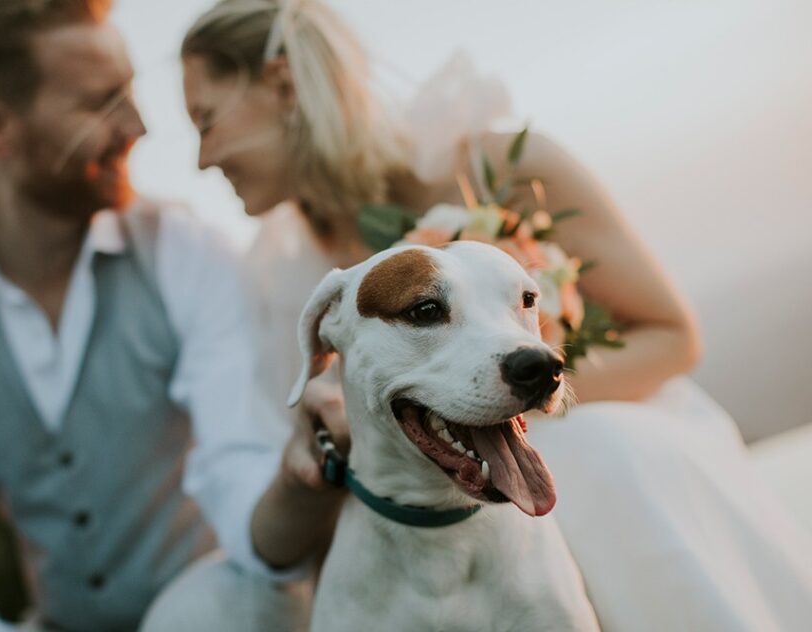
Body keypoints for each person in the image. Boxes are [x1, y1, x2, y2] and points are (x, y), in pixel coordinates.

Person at [179, 1, 812, 630]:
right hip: (431, 519)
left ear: (282, 84)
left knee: (599, 453)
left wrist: (519, 389)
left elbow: (674, 337)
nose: (203, 158)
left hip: (606, 424)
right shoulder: (278, 274)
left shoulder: (503, 165)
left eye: (206, 120)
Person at [0, 1, 335, 630]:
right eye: (101, 102)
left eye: (130, 92)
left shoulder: (185, 253)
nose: (138, 125)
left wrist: (298, 487)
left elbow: (239, 465)